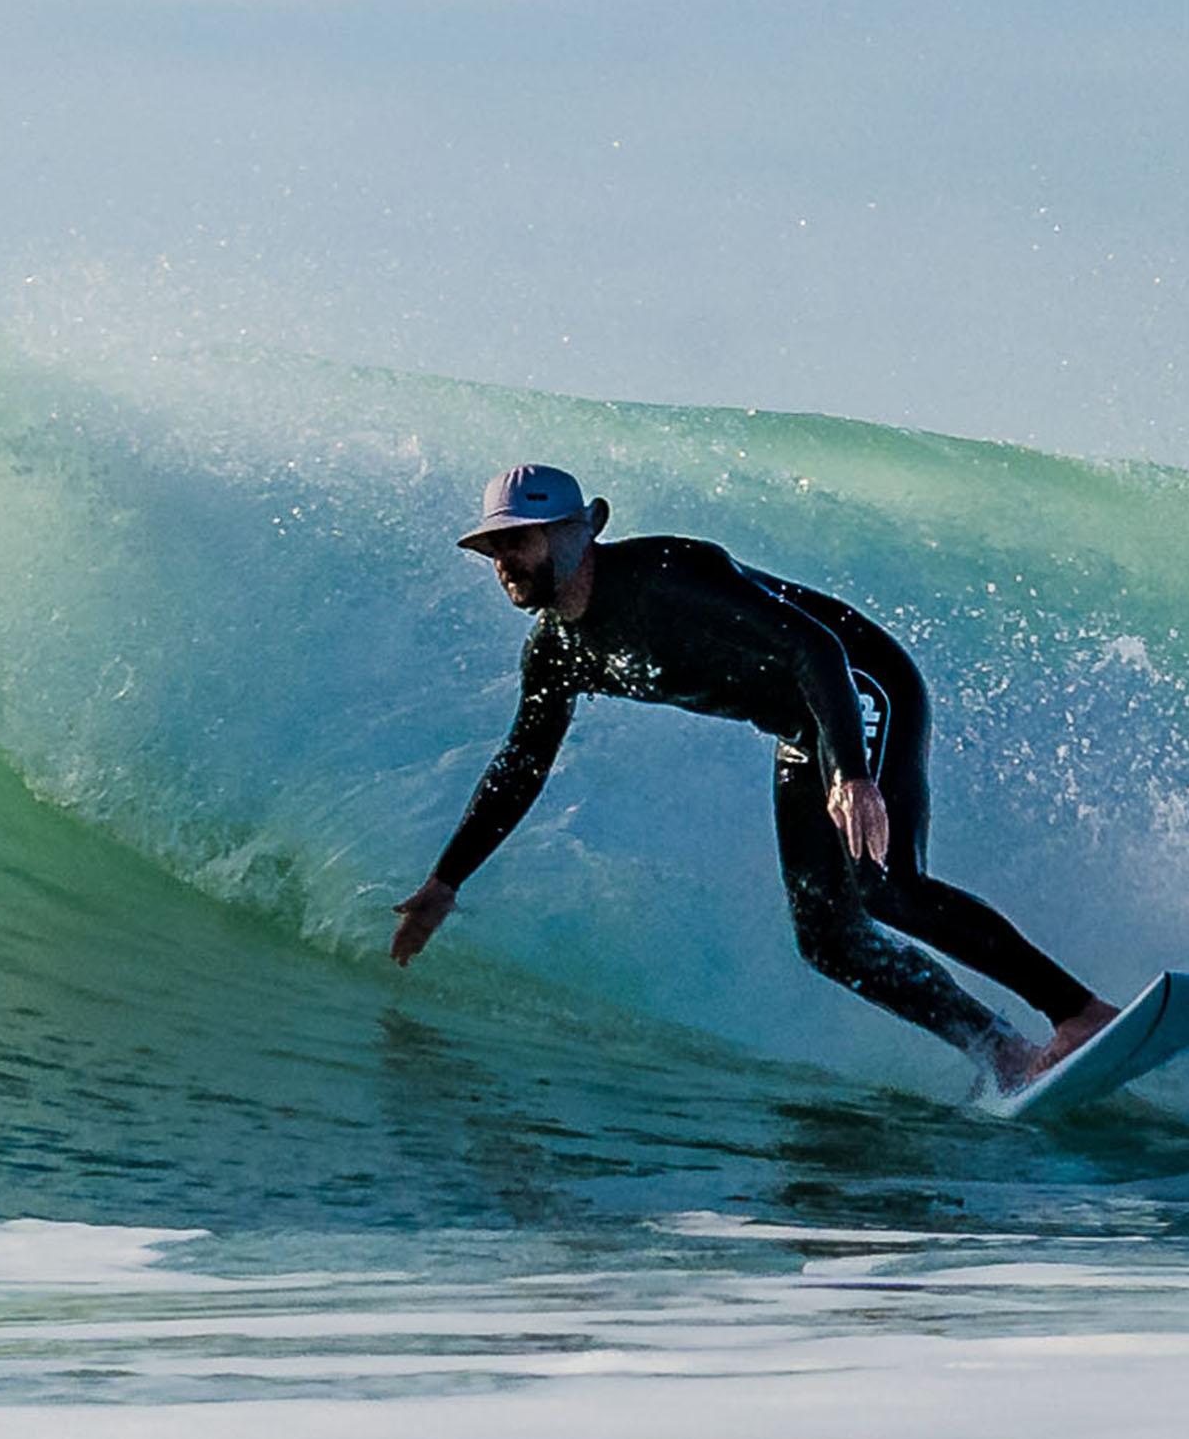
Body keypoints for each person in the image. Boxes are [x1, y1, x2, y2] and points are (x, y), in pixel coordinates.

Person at [390, 464, 1116, 1089]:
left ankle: (1075, 1012)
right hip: (804, 727)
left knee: (887, 885)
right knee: (828, 939)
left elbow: (814, 646)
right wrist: (446, 882)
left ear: (583, 529)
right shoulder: (556, 653)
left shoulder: (667, 574)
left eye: (518, 540)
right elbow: (522, 764)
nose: (504, 562)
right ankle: (1005, 1053)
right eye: (493, 548)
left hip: (858, 681)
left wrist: (855, 776)